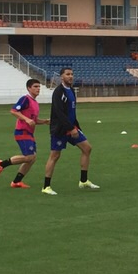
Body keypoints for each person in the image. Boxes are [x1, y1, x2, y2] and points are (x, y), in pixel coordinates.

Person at [43, 67, 97, 195]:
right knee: (55, 156)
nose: (71, 76)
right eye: (67, 74)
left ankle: (83, 181)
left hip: (72, 127)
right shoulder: (58, 92)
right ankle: (46, 187)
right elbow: (60, 113)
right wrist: (71, 128)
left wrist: (76, 127)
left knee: (87, 148)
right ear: (61, 77)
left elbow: (72, 111)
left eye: (72, 74)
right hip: (61, 130)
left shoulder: (71, 90)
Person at [0, 78, 49, 188]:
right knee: (29, 157)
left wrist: (45, 122)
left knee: (32, 158)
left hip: (29, 133)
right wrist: (26, 119)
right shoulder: (25, 99)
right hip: (22, 132)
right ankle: (1, 164)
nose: (38, 89)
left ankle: (16, 182)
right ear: (29, 88)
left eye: (39, 87)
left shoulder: (35, 103)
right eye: (35, 86)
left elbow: (33, 120)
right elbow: (14, 111)